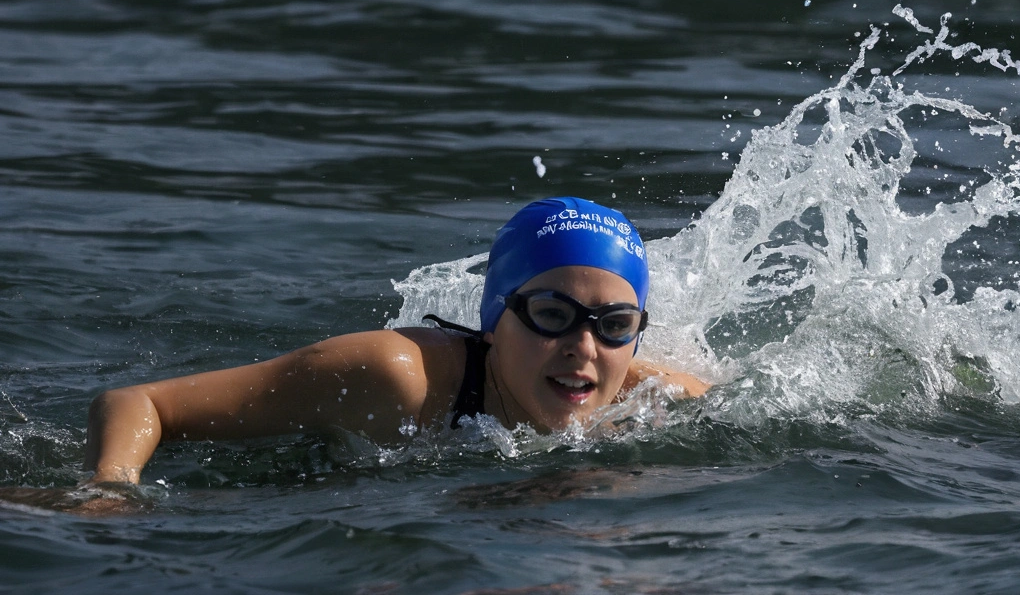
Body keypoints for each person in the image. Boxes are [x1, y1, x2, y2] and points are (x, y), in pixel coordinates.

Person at [83, 197, 709, 485]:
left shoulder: (657, 404)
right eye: (551, 314)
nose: (584, 348)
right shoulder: (394, 377)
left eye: (615, 326)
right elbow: (140, 403)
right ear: (496, 319)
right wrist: (109, 490)